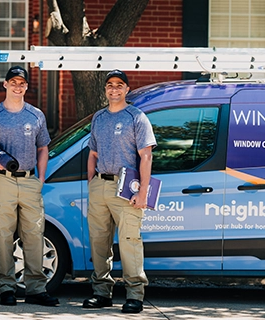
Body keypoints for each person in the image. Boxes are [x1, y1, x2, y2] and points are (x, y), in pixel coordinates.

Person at [0, 66, 58, 307]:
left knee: (34, 235)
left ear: (27, 86)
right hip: (3, 181)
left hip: (30, 181)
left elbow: (43, 148)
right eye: (13, 82)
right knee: (3, 235)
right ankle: (7, 288)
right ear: (5, 84)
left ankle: (36, 289)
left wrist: (40, 179)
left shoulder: (36, 115)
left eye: (22, 83)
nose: (17, 86)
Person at [82, 69, 157, 314]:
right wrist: (91, 180)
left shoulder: (136, 117)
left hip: (127, 188)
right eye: (110, 85)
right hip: (100, 186)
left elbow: (146, 155)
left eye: (119, 85)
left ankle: (135, 294)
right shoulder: (99, 118)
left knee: (129, 242)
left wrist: (143, 191)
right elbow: (93, 152)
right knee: (99, 242)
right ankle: (101, 292)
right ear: (105, 89)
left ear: (126, 89)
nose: (114, 89)